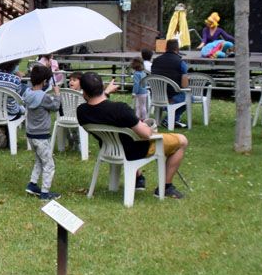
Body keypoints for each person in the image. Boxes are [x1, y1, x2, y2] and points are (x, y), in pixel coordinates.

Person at [76, 71, 188, 199]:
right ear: (101, 87)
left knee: (128, 137)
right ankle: (166, 187)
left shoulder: (81, 112)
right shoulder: (120, 109)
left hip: (109, 149)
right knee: (182, 140)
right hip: (136, 150)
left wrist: (106, 93)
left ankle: (138, 178)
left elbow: (99, 108)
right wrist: (148, 127)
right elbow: (146, 135)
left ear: (84, 91)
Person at [22, 64, 61, 200]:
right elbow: (56, 107)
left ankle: (32, 184)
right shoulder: (44, 97)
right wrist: (57, 94)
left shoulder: (27, 93)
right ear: (44, 81)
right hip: (42, 136)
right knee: (49, 164)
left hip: (31, 134)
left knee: (39, 160)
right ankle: (45, 193)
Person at [151, 39, 189, 104]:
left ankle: (171, 113)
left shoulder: (155, 61)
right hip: (174, 97)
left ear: (165, 48)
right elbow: (184, 85)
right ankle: (172, 114)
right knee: (190, 97)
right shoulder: (181, 63)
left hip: (157, 96)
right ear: (177, 49)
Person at [130, 57, 150, 122]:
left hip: (139, 93)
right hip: (144, 92)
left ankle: (144, 118)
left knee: (141, 106)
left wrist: (134, 92)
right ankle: (138, 118)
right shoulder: (143, 73)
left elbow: (136, 84)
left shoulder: (136, 74)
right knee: (139, 106)